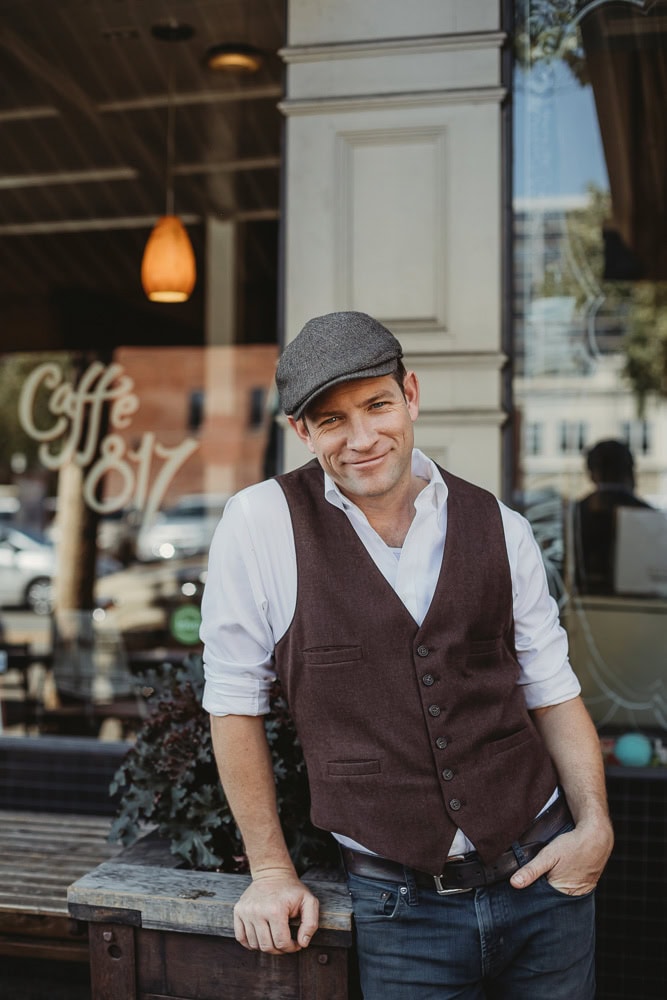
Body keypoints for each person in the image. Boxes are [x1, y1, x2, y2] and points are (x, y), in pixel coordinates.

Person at [200, 311, 614, 1000]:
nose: (361, 438)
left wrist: (594, 825)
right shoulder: (260, 524)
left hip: (545, 880)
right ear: (301, 431)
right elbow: (233, 705)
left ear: (410, 394)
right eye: (330, 420)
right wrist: (271, 871)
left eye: (377, 405)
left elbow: (552, 690)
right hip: (400, 909)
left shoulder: (498, 526)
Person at [573, 438, 653, 594]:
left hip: (582, 603)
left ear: (591, 474)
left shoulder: (574, 514)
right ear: (629, 472)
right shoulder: (647, 515)